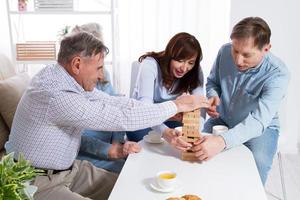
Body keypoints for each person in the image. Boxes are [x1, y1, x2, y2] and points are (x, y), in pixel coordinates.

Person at [5, 31, 209, 200]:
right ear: (77, 64)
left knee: (133, 189)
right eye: (99, 68)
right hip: (36, 183)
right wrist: (175, 105)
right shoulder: (57, 96)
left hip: (69, 171)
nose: (102, 75)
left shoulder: (65, 79)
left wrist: (173, 107)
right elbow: (119, 118)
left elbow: (116, 102)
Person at [192, 17, 290, 185]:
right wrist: (213, 95)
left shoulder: (278, 74)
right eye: (235, 50)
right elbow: (213, 82)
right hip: (222, 119)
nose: (238, 60)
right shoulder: (224, 51)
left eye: (246, 55)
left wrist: (222, 141)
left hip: (260, 128)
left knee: (256, 163)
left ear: (266, 49)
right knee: (196, 150)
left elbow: (259, 120)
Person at [72, 23, 141, 173]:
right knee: (129, 172)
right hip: (90, 154)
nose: (100, 69)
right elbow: (79, 138)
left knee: (137, 164)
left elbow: (117, 107)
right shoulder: (69, 89)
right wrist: (112, 151)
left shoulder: (103, 74)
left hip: (109, 147)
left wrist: (118, 143)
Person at [126, 32, 206, 143]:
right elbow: (145, 110)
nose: (184, 68)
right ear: (170, 55)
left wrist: (196, 130)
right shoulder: (149, 65)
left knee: (183, 139)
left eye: (190, 62)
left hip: (169, 121)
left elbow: (199, 106)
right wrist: (165, 132)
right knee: (150, 143)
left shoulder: (194, 71)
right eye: (180, 60)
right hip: (141, 121)